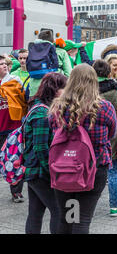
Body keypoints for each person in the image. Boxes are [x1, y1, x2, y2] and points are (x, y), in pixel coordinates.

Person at [48, 64, 117, 234]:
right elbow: (112, 132)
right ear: (94, 82)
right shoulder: (105, 107)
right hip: (94, 167)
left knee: (68, 216)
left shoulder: (57, 107)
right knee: (82, 219)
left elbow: (52, 132)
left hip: (63, 167)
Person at [23, 72, 67, 234]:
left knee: (35, 213)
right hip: (40, 173)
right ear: (55, 90)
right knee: (59, 211)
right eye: (64, 88)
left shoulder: (39, 107)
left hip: (34, 171)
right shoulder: (42, 113)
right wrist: (53, 173)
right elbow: (41, 148)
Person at [93, 60, 117, 217]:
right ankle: (114, 207)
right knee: (113, 169)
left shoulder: (89, 89)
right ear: (109, 72)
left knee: (92, 168)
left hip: (92, 131)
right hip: (113, 132)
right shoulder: (116, 89)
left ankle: (88, 204)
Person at [0, 55, 28, 203]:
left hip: (12, 128)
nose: (4, 66)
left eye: (5, 63)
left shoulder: (14, 81)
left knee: (15, 159)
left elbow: (23, 102)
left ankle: (16, 192)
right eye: (1, 64)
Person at [28, 30, 72, 98]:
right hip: (52, 90)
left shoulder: (33, 50)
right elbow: (68, 73)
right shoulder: (61, 52)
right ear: (52, 40)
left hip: (34, 91)